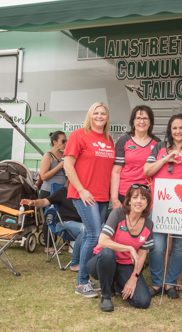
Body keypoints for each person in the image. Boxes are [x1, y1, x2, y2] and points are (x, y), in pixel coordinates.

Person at [144, 114, 182, 299]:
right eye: (175, 127)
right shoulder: (159, 147)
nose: (178, 131)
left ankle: (170, 284)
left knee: (179, 247)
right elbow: (147, 171)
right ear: (170, 129)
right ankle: (156, 284)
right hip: (159, 204)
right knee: (157, 246)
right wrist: (165, 159)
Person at [64, 102, 115, 298]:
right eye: (96, 113)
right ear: (90, 115)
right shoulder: (78, 135)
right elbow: (68, 165)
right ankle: (82, 282)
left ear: (107, 117)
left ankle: (87, 279)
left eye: (103, 113)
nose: (99, 116)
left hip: (102, 196)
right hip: (84, 195)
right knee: (94, 235)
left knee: (90, 236)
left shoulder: (109, 139)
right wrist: (82, 190)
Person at [87, 184, 154, 312]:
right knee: (107, 253)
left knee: (143, 301)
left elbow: (142, 255)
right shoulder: (118, 213)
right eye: (135, 197)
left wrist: (134, 277)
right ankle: (106, 296)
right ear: (129, 201)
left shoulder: (149, 224)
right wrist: (129, 248)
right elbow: (102, 242)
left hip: (125, 265)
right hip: (101, 261)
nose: (139, 201)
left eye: (143, 198)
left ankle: (118, 285)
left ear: (147, 203)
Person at [20, 182, 83, 272]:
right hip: (64, 225)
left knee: (96, 228)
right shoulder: (63, 191)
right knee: (85, 229)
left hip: (82, 225)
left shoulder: (85, 193)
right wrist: (33, 202)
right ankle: (75, 263)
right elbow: (45, 201)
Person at [111, 105, 160, 208]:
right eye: (138, 118)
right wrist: (114, 198)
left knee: (143, 224)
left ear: (150, 122)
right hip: (125, 193)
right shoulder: (124, 140)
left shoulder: (157, 143)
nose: (141, 122)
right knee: (124, 224)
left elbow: (159, 169)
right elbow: (116, 171)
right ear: (133, 121)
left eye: (145, 118)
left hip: (147, 195)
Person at [39, 131, 66, 199]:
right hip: (49, 191)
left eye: (66, 141)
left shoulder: (64, 154)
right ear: (55, 142)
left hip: (61, 191)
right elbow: (44, 177)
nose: (65, 143)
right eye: (63, 141)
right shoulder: (48, 156)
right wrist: (59, 166)